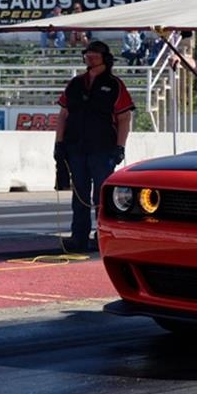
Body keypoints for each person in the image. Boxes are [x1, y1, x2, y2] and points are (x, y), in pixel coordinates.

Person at [54, 41, 135, 253]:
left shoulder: (115, 85)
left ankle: (103, 236)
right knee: (79, 194)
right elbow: (63, 115)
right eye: (88, 53)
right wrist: (58, 143)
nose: (90, 57)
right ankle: (78, 237)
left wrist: (120, 146)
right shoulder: (75, 84)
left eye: (95, 54)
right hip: (76, 147)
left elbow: (125, 118)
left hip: (103, 148)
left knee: (102, 195)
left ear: (105, 58)